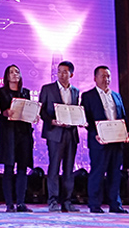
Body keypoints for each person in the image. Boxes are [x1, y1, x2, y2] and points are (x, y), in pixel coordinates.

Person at [81, 65, 128, 214]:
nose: (106, 79)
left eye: (108, 76)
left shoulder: (116, 96)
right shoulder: (88, 96)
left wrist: (125, 133)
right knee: (98, 172)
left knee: (115, 172)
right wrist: (95, 133)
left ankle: (115, 204)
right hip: (99, 141)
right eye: (102, 76)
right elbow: (85, 118)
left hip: (116, 140)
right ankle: (95, 204)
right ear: (95, 78)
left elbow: (123, 116)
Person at [38, 60, 81, 212]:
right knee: (54, 167)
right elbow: (41, 110)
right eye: (59, 71)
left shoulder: (75, 91)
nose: (61, 74)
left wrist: (80, 120)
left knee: (69, 169)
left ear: (71, 74)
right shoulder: (47, 89)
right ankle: (53, 201)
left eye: (65, 72)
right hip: (54, 133)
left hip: (71, 133)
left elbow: (77, 111)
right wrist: (51, 121)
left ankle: (67, 201)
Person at [0, 64, 34, 213]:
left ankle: (21, 203)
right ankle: (9, 204)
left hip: (24, 133)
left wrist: (34, 115)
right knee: (8, 168)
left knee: (22, 169)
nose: (14, 74)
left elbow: (29, 111)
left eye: (17, 72)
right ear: (6, 76)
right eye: (11, 72)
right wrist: (4, 113)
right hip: (9, 134)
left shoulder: (26, 92)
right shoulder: (0, 92)